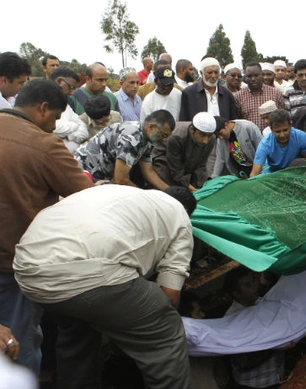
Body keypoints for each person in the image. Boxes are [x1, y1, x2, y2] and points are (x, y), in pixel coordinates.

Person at [14, 184, 196, 389]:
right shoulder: (180, 217)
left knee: (77, 332)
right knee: (166, 331)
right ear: (187, 212)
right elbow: (170, 295)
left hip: (28, 269)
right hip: (86, 271)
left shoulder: (121, 192)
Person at [0, 79, 94, 374]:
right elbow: (85, 194)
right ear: (42, 109)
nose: (54, 127)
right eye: (54, 117)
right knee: (19, 344)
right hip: (14, 263)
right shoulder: (43, 143)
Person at [74, 109, 174, 189]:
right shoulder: (132, 138)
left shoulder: (146, 138)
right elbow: (120, 180)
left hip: (101, 173)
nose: (165, 140)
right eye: (164, 135)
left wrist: (169, 192)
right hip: (84, 171)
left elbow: (149, 172)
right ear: (151, 127)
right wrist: (143, 196)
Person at [223, 266, 285, 389]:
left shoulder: (264, 304)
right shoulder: (230, 321)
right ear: (236, 294)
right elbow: (244, 361)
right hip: (253, 384)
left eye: (254, 281)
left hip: (276, 376)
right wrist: (277, 345)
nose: (255, 286)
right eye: (248, 285)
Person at [160, 112, 219, 191]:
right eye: (202, 135)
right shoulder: (176, 137)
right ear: (192, 130)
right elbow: (176, 171)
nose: (205, 141)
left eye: (209, 136)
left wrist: (203, 187)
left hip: (187, 164)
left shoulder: (212, 139)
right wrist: (194, 190)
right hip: (165, 161)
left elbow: (201, 165)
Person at [251, 109, 306, 176]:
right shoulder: (265, 144)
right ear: (271, 129)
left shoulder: (301, 136)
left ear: (290, 126)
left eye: (285, 130)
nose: (282, 135)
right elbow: (255, 173)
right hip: (273, 174)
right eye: (278, 132)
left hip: (294, 170)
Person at [179, 57, 236, 121]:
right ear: (201, 73)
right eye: (210, 72)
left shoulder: (227, 94)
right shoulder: (189, 93)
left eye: (216, 72)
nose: (213, 76)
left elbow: (232, 121)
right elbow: (184, 120)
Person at [235, 62, 285, 131]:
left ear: (261, 75)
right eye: (249, 76)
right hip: (249, 139)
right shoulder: (239, 97)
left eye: (256, 75)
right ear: (245, 77)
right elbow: (239, 122)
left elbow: (283, 117)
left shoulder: (275, 93)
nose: (253, 79)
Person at [49, 66, 89, 152]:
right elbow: (53, 127)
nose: (72, 93)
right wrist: (74, 126)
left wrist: (67, 135)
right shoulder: (41, 102)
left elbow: (84, 131)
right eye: (71, 88)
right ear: (59, 81)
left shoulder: (65, 106)